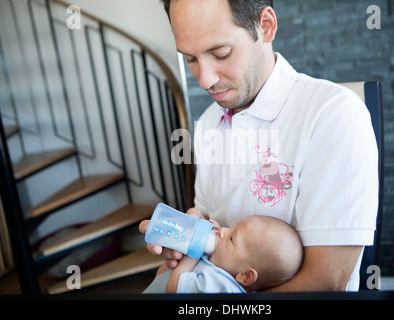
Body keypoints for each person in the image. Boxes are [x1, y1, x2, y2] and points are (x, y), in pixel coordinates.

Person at [139, 0, 378, 291]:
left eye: (221, 53)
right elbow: (207, 218)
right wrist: (186, 238)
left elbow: (325, 283)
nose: (204, 79)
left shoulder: (333, 114)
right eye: (190, 58)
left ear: (265, 26)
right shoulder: (209, 122)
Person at [142, 213, 303, 293]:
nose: (224, 230)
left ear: (246, 276)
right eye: (232, 227)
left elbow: (174, 289)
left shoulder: (221, 288)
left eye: (232, 238)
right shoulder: (221, 266)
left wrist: (194, 251)